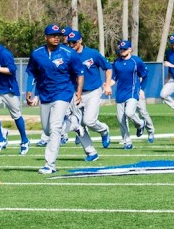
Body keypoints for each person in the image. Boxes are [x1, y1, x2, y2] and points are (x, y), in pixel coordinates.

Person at [26, 24, 81, 174]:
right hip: (45, 94)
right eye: (53, 35)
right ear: (46, 37)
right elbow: (32, 73)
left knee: (55, 128)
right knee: (47, 129)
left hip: (63, 93)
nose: (56, 37)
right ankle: (73, 123)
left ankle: (50, 164)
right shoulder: (37, 54)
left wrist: (78, 92)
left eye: (58, 35)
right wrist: (29, 90)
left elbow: (79, 73)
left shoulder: (68, 53)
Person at [0, 33, 30, 156]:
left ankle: (24, 140)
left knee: (16, 115)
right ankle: (1, 139)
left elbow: (12, 70)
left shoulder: (4, 53)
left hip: (8, 88)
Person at [67, 29, 112, 159]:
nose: (71, 45)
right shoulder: (67, 55)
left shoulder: (92, 53)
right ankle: (91, 152)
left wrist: (108, 84)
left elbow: (108, 67)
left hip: (93, 91)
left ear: (80, 40)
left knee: (89, 121)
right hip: (76, 93)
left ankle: (104, 130)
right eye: (69, 42)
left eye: (74, 42)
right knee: (78, 124)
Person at [111, 40, 152, 149]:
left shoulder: (136, 61)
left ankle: (140, 124)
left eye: (124, 49)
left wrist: (142, 89)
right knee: (121, 120)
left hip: (132, 92)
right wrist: (107, 85)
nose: (122, 51)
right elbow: (114, 78)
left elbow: (145, 75)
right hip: (120, 93)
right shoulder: (116, 63)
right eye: (121, 49)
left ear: (130, 49)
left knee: (129, 113)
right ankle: (127, 142)